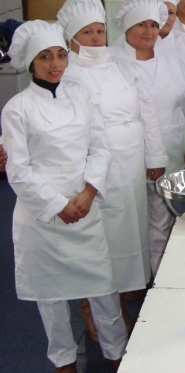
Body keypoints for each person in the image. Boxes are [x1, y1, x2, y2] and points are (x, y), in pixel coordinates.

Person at [2, 20, 128, 372]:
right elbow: (18, 170)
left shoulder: (81, 97)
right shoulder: (17, 108)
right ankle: (63, 361)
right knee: (51, 298)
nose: (56, 64)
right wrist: (58, 205)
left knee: (103, 288)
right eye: (45, 57)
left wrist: (88, 192)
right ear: (31, 63)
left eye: (60, 54)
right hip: (41, 216)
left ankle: (116, 353)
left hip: (84, 207)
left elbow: (100, 147)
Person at [56, 0, 169, 336]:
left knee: (130, 231)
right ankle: (97, 307)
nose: (95, 39)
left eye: (100, 32)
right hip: (95, 166)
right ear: (72, 39)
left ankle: (122, 295)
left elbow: (146, 112)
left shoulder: (122, 65)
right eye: (87, 33)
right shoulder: (68, 74)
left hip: (131, 159)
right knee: (103, 239)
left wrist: (155, 157)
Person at [108, 0, 185, 275]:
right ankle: (133, 279)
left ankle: (159, 279)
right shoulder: (110, 61)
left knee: (165, 216)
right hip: (129, 153)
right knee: (131, 220)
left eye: (152, 24)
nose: (148, 31)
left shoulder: (173, 58)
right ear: (126, 28)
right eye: (140, 25)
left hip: (171, 146)